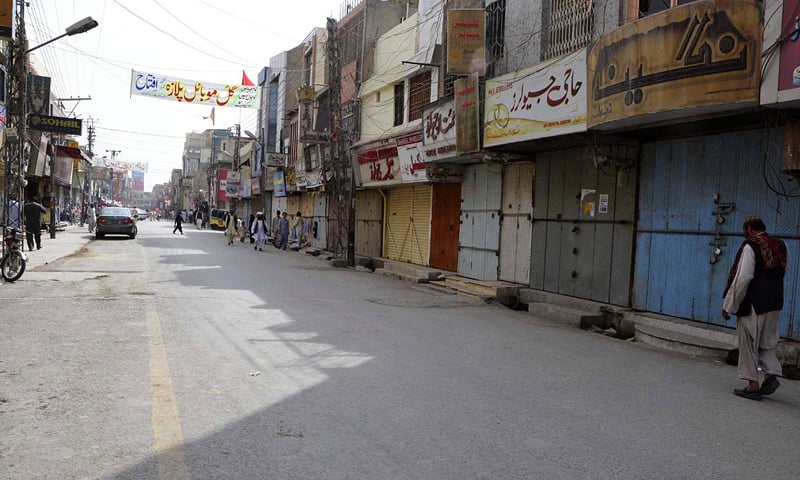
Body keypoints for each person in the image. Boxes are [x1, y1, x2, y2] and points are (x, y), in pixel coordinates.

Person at [722, 216, 788, 401]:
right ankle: (770, 374)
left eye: (745, 230)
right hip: (775, 302)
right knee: (766, 342)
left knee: (749, 343)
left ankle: (753, 386)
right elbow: (783, 272)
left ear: (750, 229)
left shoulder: (751, 246)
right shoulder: (781, 245)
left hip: (753, 304)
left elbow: (742, 279)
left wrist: (729, 305)